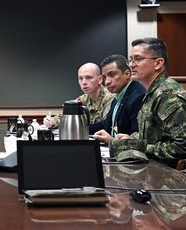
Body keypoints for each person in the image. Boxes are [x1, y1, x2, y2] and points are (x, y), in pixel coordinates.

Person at [94, 38, 186, 168]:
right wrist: (132, 139)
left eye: (138, 59)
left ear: (158, 63)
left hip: (166, 178)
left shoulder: (168, 95)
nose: (131, 65)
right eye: (131, 59)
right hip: (151, 170)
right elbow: (153, 135)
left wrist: (137, 147)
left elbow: (182, 146)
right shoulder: (152, 93)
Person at [44, 62, 114, 128]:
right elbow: (65, 116)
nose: (84, 82)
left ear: (100, 79)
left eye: (88, 78)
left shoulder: (110, 98)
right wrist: (52, 121)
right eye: (80, 78)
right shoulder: (82, 99)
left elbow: (106, 125)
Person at [89, 54, 146, 136]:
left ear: (127, 74)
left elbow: (138, 137)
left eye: (112, 75)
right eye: (105, 77)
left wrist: (112, 141)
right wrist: (81, 130)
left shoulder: (138, 97)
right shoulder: (117, 97)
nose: (107, 82)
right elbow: (106, 124)